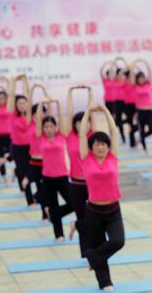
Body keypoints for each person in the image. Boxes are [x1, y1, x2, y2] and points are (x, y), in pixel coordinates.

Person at [80, 104, 125, 292]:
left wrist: (105, 112)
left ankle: (93, 257)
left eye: (103, 144)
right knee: (98, 243)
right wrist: (88, 113)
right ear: (92, 146)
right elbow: (82, 135)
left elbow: (114, 133)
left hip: (113, 209)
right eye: (97, 144)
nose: (101, 147)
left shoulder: (112, 157)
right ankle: (105, 282)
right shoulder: (86, 158)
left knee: (118, 241)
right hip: (94, 211)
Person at [36, 99, 74, 241]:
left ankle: (54, 214)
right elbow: (39, 120)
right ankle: (59, 234)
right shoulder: (41, 138)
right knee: (53, 204)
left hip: (62, 176)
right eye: (46, 126)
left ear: (56, 127)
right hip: (47, 178)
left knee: (73, 203)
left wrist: (58, 104)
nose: (48, 129)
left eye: (51, 126)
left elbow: (63, 119)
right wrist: (41, 104)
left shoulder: (61, 136)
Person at [64, 85, 93, 257]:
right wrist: (70, 92)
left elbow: (93, 114)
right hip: (75, 184)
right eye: (78, 122)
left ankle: (77, 227)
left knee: (92, 219)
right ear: (74, 124)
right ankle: (86, 253)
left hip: (92, 184)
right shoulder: (70, 136)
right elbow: (69, 112)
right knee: (82, 216)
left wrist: (90, 94)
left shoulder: (92, 137)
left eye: (85, 122)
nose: (81, 125)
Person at [8, 74, 34, 205]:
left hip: (31, 147)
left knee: (31, 172)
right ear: (16, 105)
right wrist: (14, 81)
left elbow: (28, 95)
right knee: (24, 172)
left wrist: (25, 81)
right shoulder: (13, 115)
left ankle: (17, 172)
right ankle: (29, 200)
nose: (22, 105)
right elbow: (11, 97)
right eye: (19, 103)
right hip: (18, 148)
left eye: (24, 103)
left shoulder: (30, 115)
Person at [26, 84, 50, 220]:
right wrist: (32, 90)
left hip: (46, 161)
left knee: (45, 188)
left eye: (43, 112)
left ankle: (36, 198)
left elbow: (50, 111)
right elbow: (29, 108)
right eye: (38, 113)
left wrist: (45, 94)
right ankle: (44, 213)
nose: (40, 115)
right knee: (39, 185)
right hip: (33, 161)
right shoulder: (30, 124)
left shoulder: (48, 126)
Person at [132, 59, 152, 152]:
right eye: (139, 78)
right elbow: (131, 77)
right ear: (137, 79)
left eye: (142, 77)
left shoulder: (148, 84)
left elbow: (150, 74)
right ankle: (145, 147)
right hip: (140, 112)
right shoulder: (135, 86)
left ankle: (140, 139)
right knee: (141, 130)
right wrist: (134, 64)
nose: (141, 79)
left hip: (149, 111)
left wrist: (146, 63)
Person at [124, 62, 138, 147]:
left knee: (138, 123)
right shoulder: (125, 82)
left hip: (136, 105)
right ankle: (132, 143)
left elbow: (134, 77)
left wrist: (132, 67)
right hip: (128, 106)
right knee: (130, 124)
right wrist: (129, 67)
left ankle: (136, 136)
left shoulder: (135, 83)